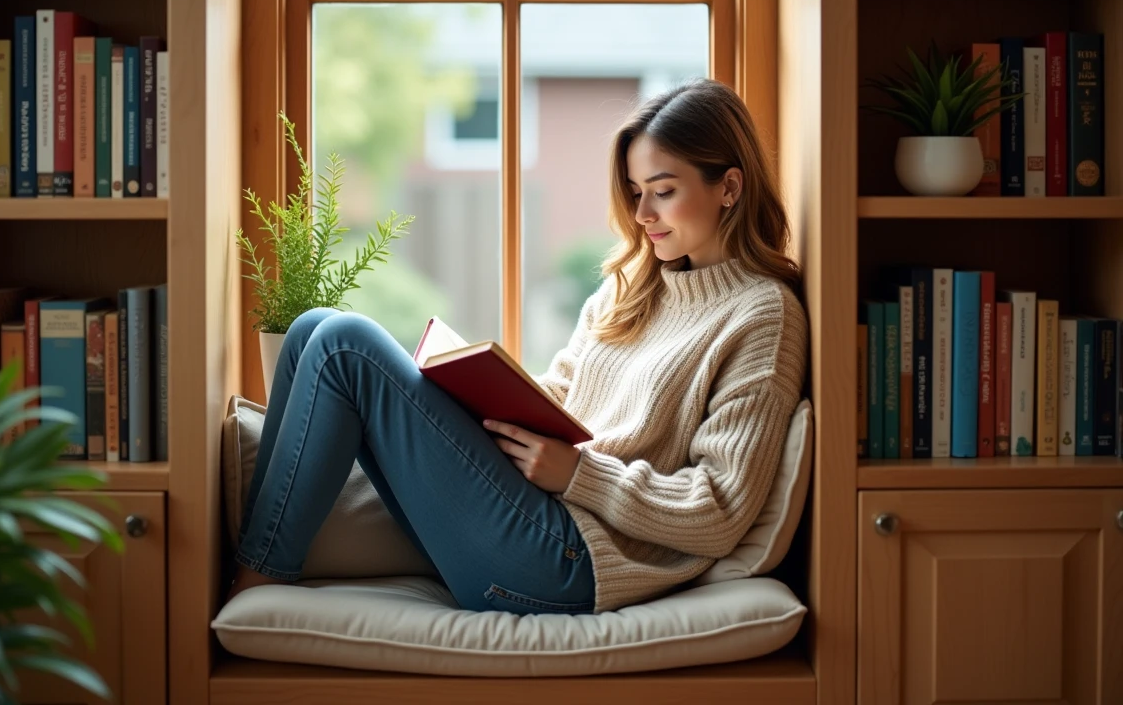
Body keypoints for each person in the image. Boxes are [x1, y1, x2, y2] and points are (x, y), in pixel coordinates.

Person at [227, 78, 808, 616]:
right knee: (310, 329)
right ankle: (255, 572)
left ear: (728, 187)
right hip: (527, 512)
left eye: (663, 191)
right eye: (635, 192)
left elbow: (721, 509)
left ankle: (257, 582)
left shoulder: (763, 315)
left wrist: (580, 475)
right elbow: (558, 397)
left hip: (572, 560)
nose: (641, 215)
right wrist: (479, 404)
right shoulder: (628, 290)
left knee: (343, 344)